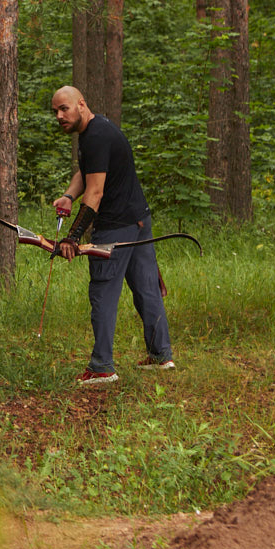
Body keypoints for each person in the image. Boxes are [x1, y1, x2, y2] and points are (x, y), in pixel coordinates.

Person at [51, 85, 175, 388]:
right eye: (55, 111)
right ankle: (161, 355)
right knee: (146, 288)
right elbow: (88, 173)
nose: (59, 116)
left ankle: (102, 367)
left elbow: (96, 191)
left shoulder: (95, 136)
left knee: (103, 292)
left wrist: (73, 237)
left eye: (64, 108)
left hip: (117, 227)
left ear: (81, 104)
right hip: (138, 220)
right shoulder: (96, 130)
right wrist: (68, 195)